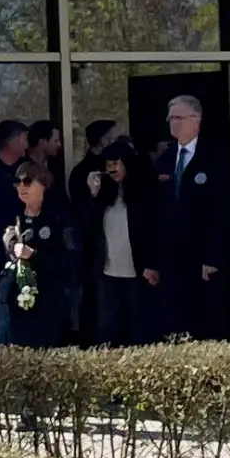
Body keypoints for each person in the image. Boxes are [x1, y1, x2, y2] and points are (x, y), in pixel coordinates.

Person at [152, 93, 230, 339]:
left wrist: (212, 256)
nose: (172, 123)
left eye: (178, 117)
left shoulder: (215, 157)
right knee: (173, 320)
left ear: (196, 119)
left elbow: (222, 210)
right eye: (170, 118)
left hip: (202, 255)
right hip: (171, 256)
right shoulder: (164, 160)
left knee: (204, 320)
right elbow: (155, 211)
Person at [81, 137, 162, 346]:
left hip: (138, 271)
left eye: (116, 164)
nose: (112, 169)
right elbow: (90, 228)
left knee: (140, 329)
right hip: (108, 272)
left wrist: (152, 264)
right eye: (108, 165)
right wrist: (93, 195)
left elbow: (155, 231)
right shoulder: (104, 194)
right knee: (107, 330)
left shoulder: (145, 191)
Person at [0, 161, 76, 347]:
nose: (22, 186)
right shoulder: (13, 216)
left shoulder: (58, 218)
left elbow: (71, 260)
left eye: (28, 181)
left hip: (49, 301)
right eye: (18, 182)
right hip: (17, 303)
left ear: (44, 184)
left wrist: (34, 255)